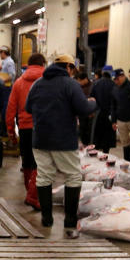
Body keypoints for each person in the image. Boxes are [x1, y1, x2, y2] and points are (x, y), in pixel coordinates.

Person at [25, 54, 97, 238]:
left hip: (40, 139)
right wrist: (92, 103)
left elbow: (28, 107)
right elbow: (83, 108)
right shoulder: (70, 84)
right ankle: (70, 220)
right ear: (69, 68)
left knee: (44, 176)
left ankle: (47, 218)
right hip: (64, 139)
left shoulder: (38, 83)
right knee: (73, 176)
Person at [6, 53, 46, 210]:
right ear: (43, 64)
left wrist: (11, 131)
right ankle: (32, 196)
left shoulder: (18, 83)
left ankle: (30, 193)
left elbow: (10, 109)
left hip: (24, 128)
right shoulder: (47, 82)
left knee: (27, 162)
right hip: (42, 128)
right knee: (41, 163)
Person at [110, 68, 130, 161]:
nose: (116, 81)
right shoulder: (114, 89)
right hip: (120, 120)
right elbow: (113, 106)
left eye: (117, 79)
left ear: (123, 76)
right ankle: (127, 160)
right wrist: (113, 120)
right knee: (125, 143)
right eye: (115, 79)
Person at [91, 66, 116, 153]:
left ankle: (96, 154)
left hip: (98, 113)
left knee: (97, 137)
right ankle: (106, 154)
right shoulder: (114, 84)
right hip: (110, 114)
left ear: (102, 73)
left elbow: (92, 98)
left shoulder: (96, 83)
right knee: (107, 139)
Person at [74, 68, 94, 145]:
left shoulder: (92, 86)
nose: (79, 82)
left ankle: (89, 147)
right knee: (82, 131)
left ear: (85, 79)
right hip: (82, 113)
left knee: (89, 132)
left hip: (90, 113)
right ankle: (84, 145)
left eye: (80, 80)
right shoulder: (79, 87)